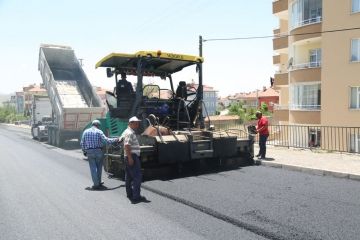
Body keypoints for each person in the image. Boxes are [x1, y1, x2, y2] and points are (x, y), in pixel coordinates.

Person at [80, 120, 119, 190]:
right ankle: (99, 182)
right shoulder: (99, 131)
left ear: (92, 124)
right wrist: (116, 139)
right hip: (98, 151)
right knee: (99, 168)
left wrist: (84, 151)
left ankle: (96, 184)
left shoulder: (86, 131)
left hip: (89, 152)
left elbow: (82, 143)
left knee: (93, 168)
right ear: (98, 125)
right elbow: (106, 140)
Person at [121, 116, 146, 203]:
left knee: (128, 177)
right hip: (132, 157)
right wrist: (130, 158)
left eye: (138, 123)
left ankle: (130, 194)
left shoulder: (127, 131)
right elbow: (127, 145)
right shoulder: (130, 133)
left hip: (129, 156)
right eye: (135, 123)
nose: (137, 124)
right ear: (130, 123)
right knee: (137, 177)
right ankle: (136, 196)